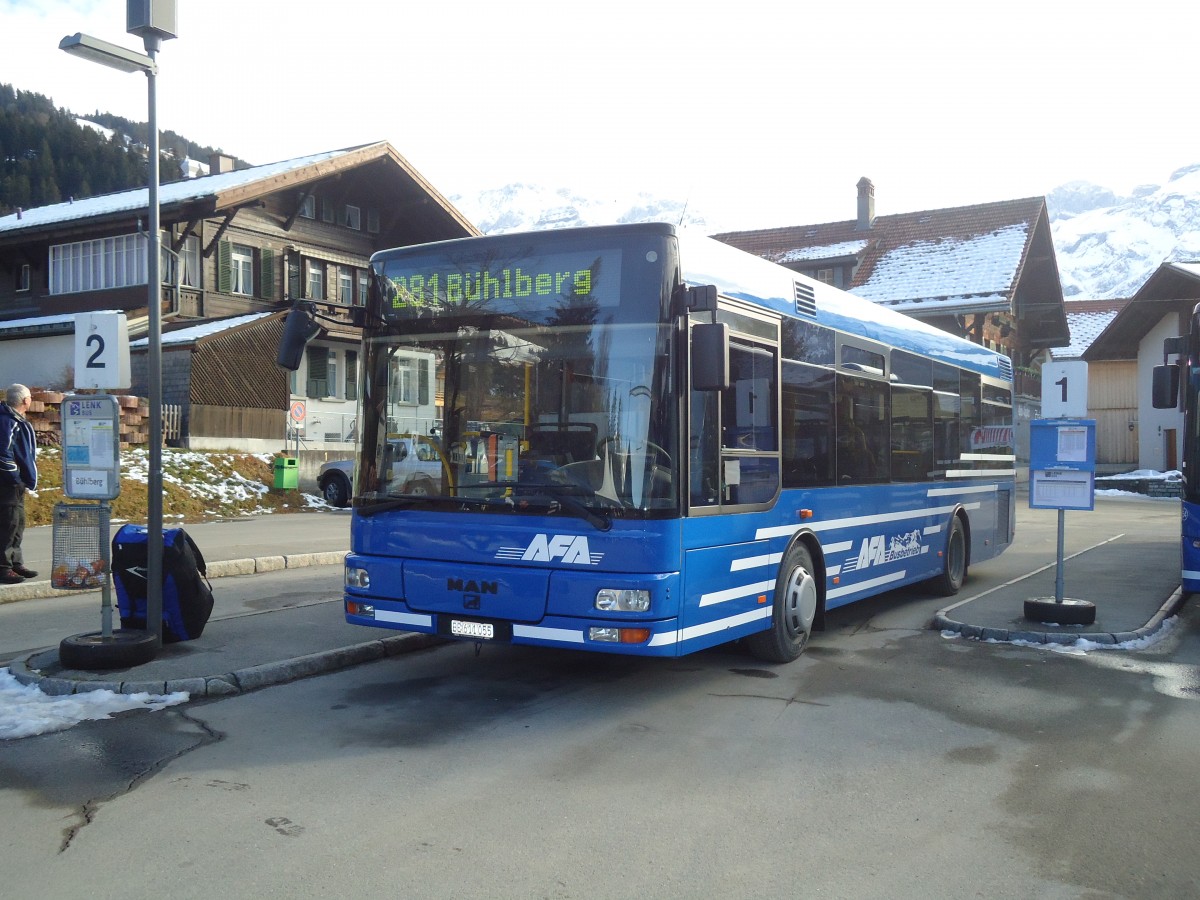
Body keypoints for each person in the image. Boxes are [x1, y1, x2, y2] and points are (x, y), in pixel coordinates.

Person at [0, 383, 38, 584]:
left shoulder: (16, 420)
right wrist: (14, 477)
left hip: (18, 484)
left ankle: (15, 562)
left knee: (18, 523)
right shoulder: (8, 421)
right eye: (30, 397)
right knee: (8, 523)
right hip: (8, 484)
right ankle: (4, 568)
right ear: (25, 400)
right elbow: (3, 453)